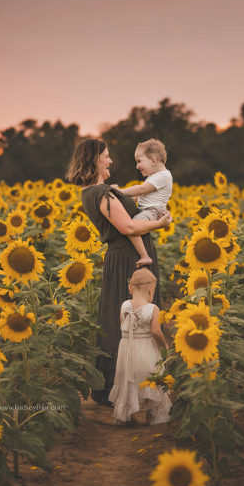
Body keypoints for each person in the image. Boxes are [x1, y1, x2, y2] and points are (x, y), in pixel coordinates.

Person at [65, 139, 172, 407]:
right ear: (94, 161)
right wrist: (160, 223)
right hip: (129, 258)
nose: (110, 161)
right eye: (107, 157)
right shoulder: (102, 193)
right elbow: (128, 228)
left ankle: (129, 386)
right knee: (132, 322)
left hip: (123, 255)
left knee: (120, 318)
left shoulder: (92, 193)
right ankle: (126, 388)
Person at [108, 267, 171, 425]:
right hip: (146, 351)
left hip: (126, 351)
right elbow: (156, 332)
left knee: (128, 381)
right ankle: (153, 415)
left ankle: (127, 416)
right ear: (151, 289)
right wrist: (164, 346)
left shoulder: (124, 306)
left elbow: (123, 326)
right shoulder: (153, 309)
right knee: (151, 378)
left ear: (130, 288)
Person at [112, 139, 173, 268]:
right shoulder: (155, 176)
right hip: (147, 210)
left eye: (139, 161)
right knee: (129, 225)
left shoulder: (164, 176)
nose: (137, 166)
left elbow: (141, 190)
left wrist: (119, 192)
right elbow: (139, 195)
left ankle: (144, 256)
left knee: (130, 227)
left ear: (153, 160)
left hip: (152, 211)